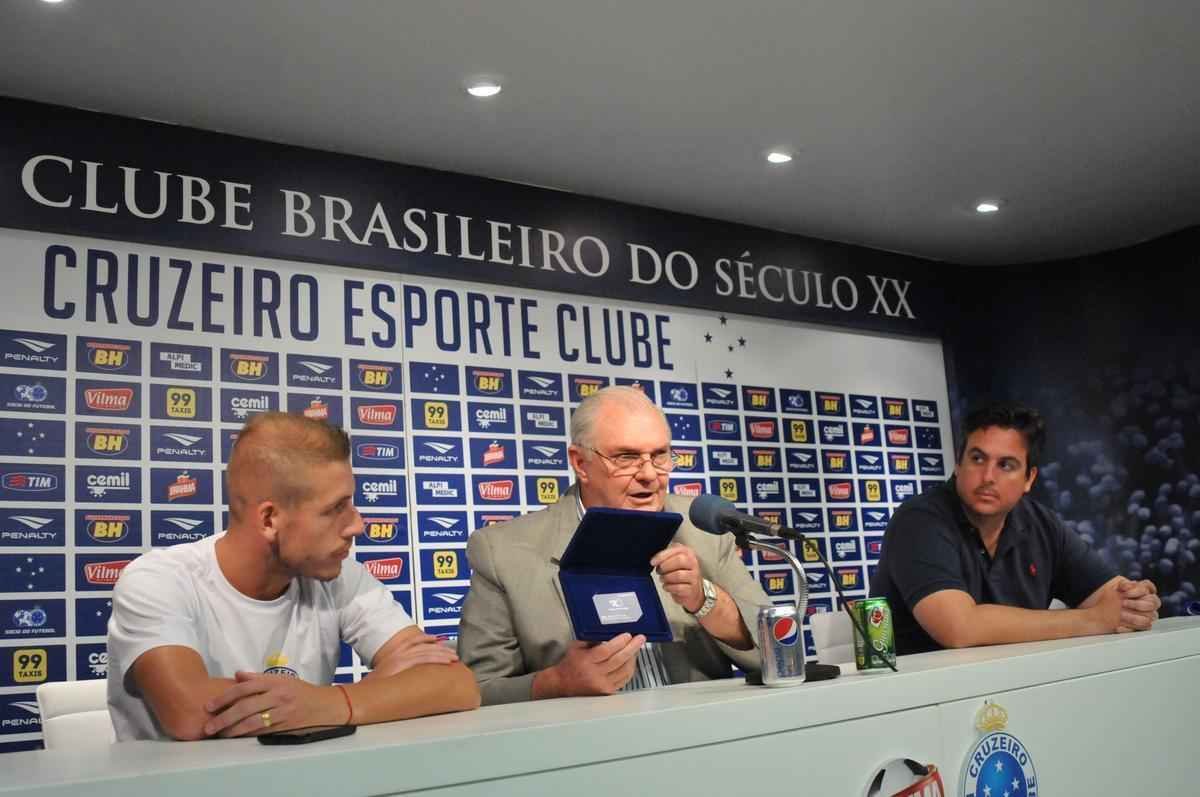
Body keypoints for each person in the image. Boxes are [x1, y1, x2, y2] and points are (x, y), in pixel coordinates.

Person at [107, 412, 479, 741]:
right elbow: (191, 713)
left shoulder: (338, 576)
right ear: (269, 519)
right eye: (336, 508)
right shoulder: (157, 580)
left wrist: (333, 701)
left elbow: (456, 684)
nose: (357, 525)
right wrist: (378, 690)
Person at [457, 386, 770, 705]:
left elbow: (778, 652)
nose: (650, 474)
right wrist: (557, 682)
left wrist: (707, 601)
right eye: (627, 457)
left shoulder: (704, 530)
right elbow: (477, 690)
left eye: (660, 455)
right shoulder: (502, 551)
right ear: (580, 463)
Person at [871, 401, 1161, 655]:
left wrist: (1136, 603)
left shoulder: (1042, 524)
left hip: (1017, 687)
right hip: (922, 701)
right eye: (977, 458)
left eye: (1006, 465)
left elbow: (1110, 595)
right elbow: (959, 628)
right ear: (958, 464)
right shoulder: (919, 520)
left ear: (1029, 478)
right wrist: (1094, 620)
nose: (987, 476)